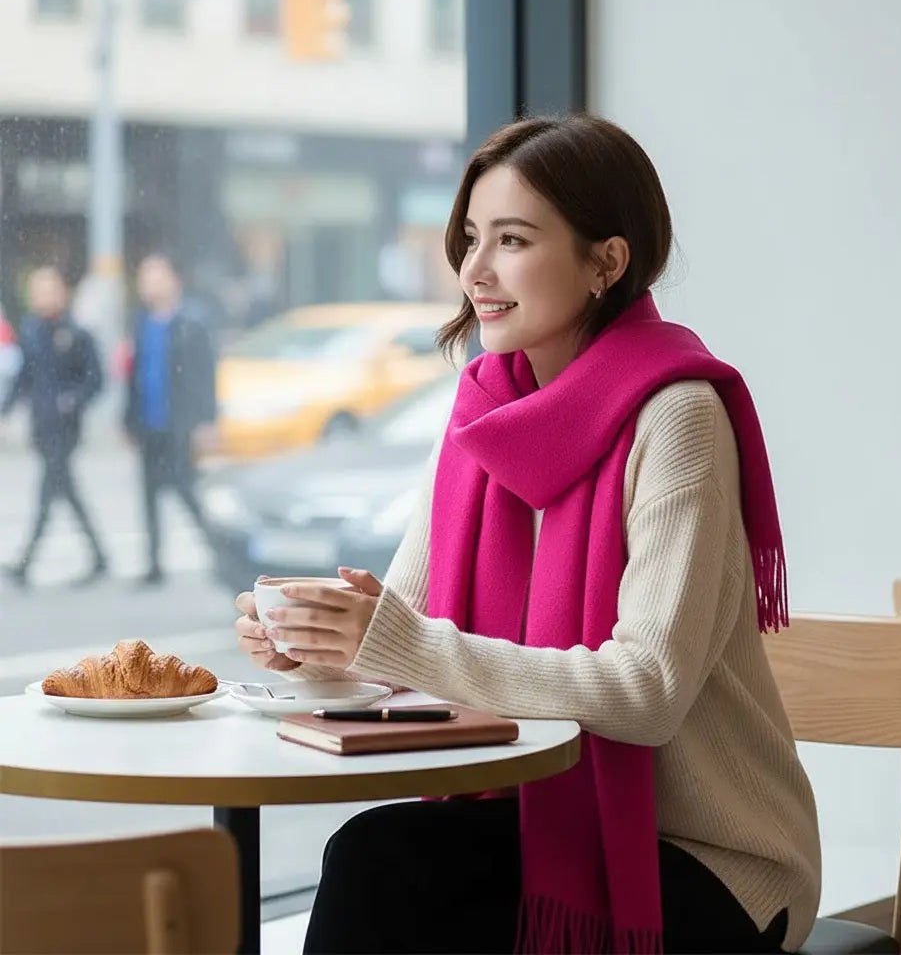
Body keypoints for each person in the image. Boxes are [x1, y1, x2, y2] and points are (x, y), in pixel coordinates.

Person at [233, 115, 822, 954]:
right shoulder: (482, 417)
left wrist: (390, 639)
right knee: (374, 858)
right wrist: (318, 644)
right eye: (471, 238)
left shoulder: (677, 417)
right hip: (542, 821)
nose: (475, 270)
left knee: (381, 875)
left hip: (715, 859)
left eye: (511, 240)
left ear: (605, 263)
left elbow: (646, 692)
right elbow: (405, 631)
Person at [1, 266, 108, 587]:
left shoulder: (77, 332)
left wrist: (71, 401)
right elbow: (24, 377)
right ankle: (99, 555)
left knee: (48, 492)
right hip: (41, 424)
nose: (43, 297)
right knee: (65, 491)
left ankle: (26, 561)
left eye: (49, 290)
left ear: (63, 292)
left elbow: (94, 380)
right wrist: (5, 410)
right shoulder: (31, 330)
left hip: (66, 428)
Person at [124, 253, 217, 586]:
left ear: (173, 281)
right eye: (144, 277)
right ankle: (153, 564)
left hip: (179, 424)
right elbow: (134, 376)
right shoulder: (141, 324)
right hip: (149, 423)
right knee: (148, 496)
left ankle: (220, 552)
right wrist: (128, 419)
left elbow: (204, 376)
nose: (148, 284)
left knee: (186, 492)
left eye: (155, 276)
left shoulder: (191, 323)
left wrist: (206, 421)